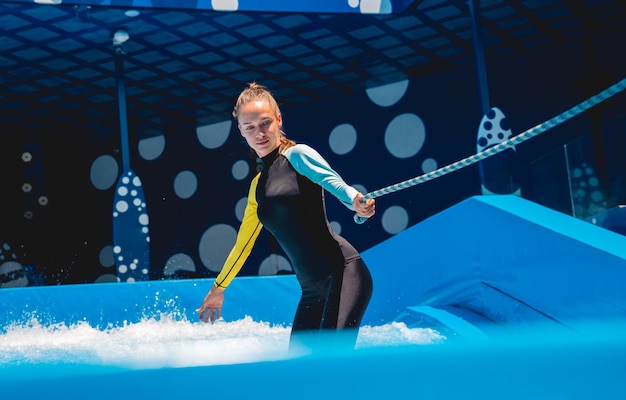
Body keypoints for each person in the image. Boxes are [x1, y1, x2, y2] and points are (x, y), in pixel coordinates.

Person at [196, 82, 375, 352]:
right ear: (241, 131)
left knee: (332, 368)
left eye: (265, 123)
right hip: (312, 292)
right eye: (250, 127)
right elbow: (243, 245)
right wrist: (219, 288)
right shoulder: (258, 186)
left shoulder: (297, 155)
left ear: (278, 119)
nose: (259, 133)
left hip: (344, 273)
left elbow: (334, 183)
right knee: (298, 375)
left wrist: (355, 202)